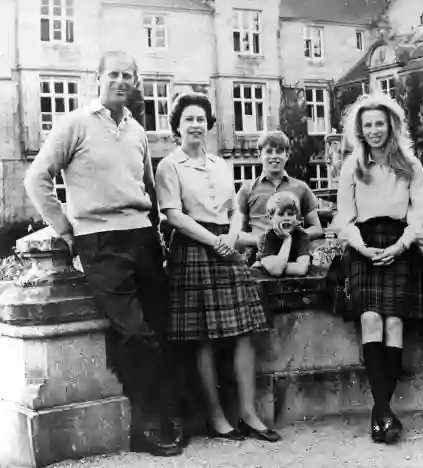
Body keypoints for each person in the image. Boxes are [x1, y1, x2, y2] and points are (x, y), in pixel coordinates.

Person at [24, 51, 182, 456]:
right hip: (100, 242)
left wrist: (156, 232)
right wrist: (64, 229)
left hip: (142, 237)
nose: (122, 81)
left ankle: (168, 415)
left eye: (129, 75)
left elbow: (146, 187)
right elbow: (37, 177)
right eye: (114, 74)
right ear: (98, 78)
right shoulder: (76, 123)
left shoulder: (136, 130)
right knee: (135, 333)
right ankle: (145, 427)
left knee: (162, 329)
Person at [155, 92, 281, 444]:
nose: (195, 125)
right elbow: (173, 215)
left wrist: (232, 235)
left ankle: (247, 413)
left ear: (209, 124)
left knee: (243, 331)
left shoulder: (220, 164)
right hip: (194, 250)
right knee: (202, 339)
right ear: (177, 126)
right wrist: (216, 242)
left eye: (200, 119)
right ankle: (215, 416)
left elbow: (234, 209)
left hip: (225, 247)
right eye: (188, 119)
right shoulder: (169, 166)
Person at [335, 92, 423, 444]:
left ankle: (380, 412)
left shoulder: (410, 164)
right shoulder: (352, 166)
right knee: (371, 318)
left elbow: (420, 214)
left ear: (391, 125)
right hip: (363, 245)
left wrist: (400, 246)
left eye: (379, 123)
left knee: (394, 322)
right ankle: (385, 412)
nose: (374, 130)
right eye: (367, 125)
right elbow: (343, 218)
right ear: (359, 130)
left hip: (400, 243)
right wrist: (363, 247)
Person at [236, 130, 323, 263]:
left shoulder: (301, 188)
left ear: (287, 155)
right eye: (269, 152)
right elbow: (236, 233)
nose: (274, 156)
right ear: (260, 155)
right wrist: (263, 240)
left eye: (279, 151)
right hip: (259, 259)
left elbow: (317, 228)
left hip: (295, 258)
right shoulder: (247, 189)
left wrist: (293, 237)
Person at [255, 191, 311, 277]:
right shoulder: (265, 237)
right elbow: (276, 271)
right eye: (281, 214)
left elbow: (302, 269)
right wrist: (287, 240)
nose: (286, 218)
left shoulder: (301, 235)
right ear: (271, 218)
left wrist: (278, 265)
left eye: (290, 214)